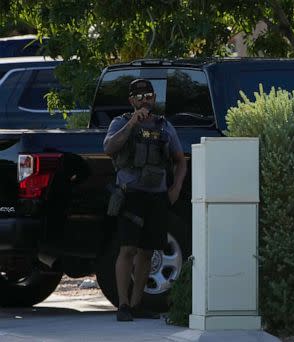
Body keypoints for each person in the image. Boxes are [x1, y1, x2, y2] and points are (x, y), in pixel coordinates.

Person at [103, 79, 187, 322]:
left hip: (157, 196)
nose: (144, 101)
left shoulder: (164, 126)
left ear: (154, 98)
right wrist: (132, 123)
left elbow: (180, 160)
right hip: (130, 195)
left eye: (148, 96)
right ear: (131, 101)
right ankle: (124, 305)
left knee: (147, 252)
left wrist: (176, 188)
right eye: (139, 97)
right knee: (127, 248)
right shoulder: (120, 122)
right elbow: (109, 148)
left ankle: (138, 304)